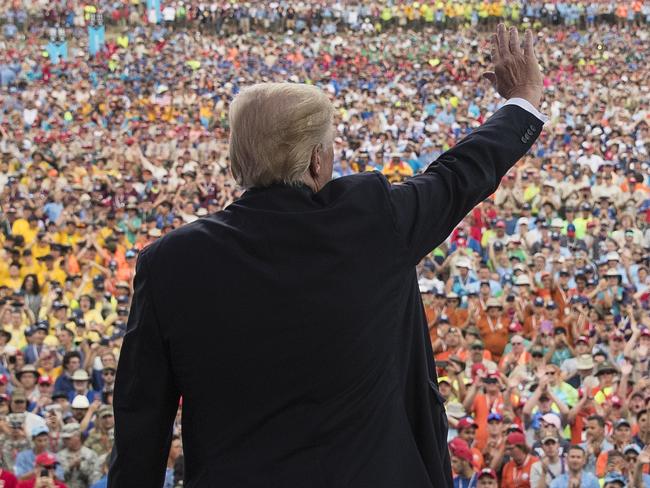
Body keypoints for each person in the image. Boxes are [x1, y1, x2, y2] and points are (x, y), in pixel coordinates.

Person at [108, 24, 546, 488]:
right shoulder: (371, 220)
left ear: (237, 164)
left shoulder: (170, 263)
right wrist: (522, 98)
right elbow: (460, 174)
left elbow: (140, 431)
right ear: (317, 161)